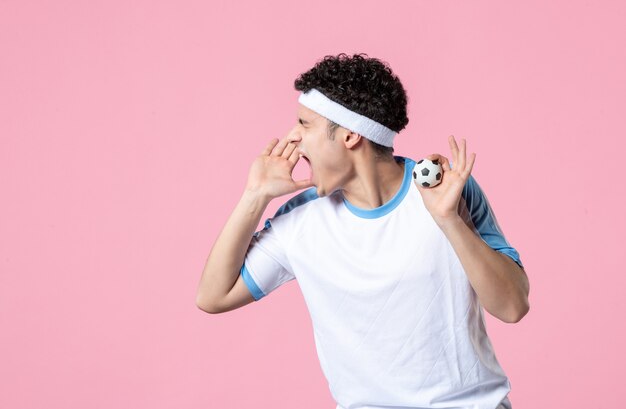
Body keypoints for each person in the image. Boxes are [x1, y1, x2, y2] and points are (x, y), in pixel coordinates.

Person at [196, 53, 530, 409]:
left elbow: (512, 306)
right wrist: (255, 196)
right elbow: (212, 297)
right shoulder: (301, 219)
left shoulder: (444, 191)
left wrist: (450, 221)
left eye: (304, 124)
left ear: (351, 135)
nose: (292, 138)